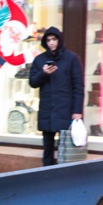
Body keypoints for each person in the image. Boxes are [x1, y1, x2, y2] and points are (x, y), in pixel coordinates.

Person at [29, 27, 84, 166]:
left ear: (59, 40)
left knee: (65, 149)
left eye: (54, 39)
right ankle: (47, 175)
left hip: (65, 110)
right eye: (48, 40)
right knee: (47, 150)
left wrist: (77, 111)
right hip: (47, 110)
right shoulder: (40, 60)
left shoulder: (72, 58)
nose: (51, 43)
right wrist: (43, 73)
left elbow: (78, 87)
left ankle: (64, 176)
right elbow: (33, 83)